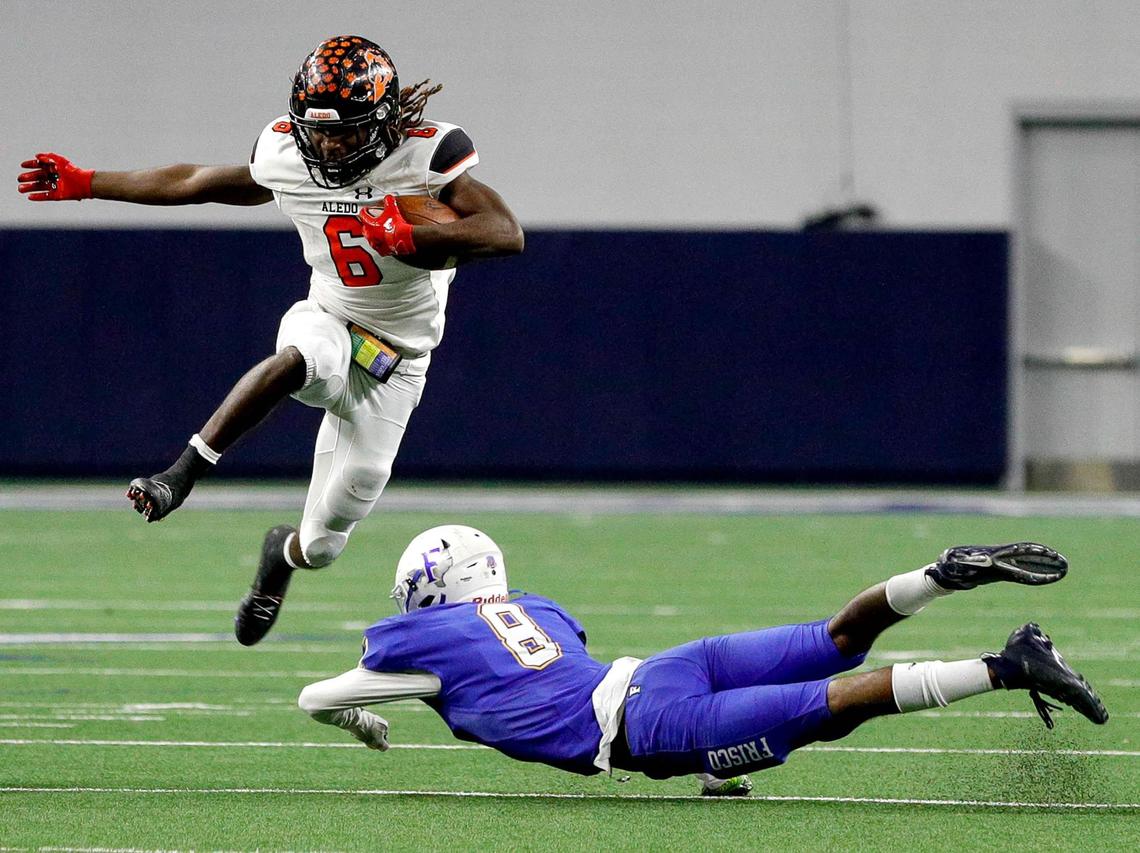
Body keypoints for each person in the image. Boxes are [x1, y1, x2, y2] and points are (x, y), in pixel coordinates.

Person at [17, 36, 524, 646]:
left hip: (400, 363)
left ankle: (279, 556)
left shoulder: (426, 157)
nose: (331, 145)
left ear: (387, 118)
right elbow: (198, 181)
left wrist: (414, 239)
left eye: (348, 131)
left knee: (324, 542)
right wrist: (89, 181)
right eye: (320, 132)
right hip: (330, 315)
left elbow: (505, 232)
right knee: (303, 359)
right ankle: (179, 474)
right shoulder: (288, 154)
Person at [297, 527, 1108, 796]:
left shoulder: (421, 645)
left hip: (649, 720)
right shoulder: (534, 608)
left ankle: (1008, 666)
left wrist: (361, 716)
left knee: (833, 704)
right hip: (667, 667)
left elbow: (314, 695)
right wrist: (712, 768)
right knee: (834, 638)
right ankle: (935, 576)